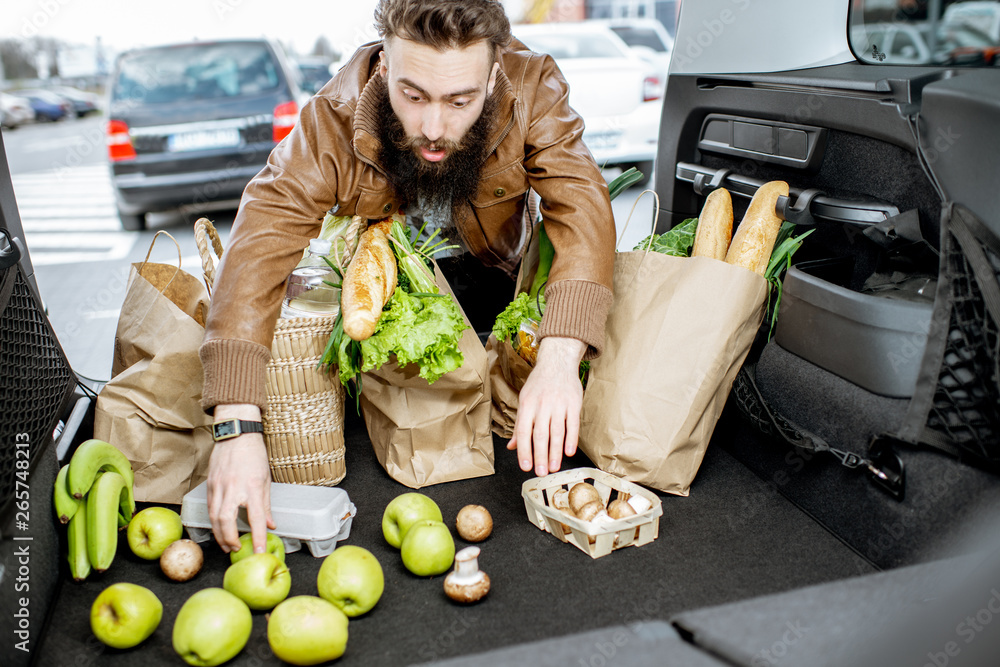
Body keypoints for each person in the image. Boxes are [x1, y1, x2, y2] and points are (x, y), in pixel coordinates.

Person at [200, 0, 617, 555]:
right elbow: (261, 236)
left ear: (493, 75)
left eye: (460, 100)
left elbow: (582, 202)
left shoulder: (530, 84)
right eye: (412, 95)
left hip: (498, 285)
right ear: (384, 68)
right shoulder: (334, 116)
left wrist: (561, 356)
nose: (433, 128)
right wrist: (236, 424)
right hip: (393, 316)